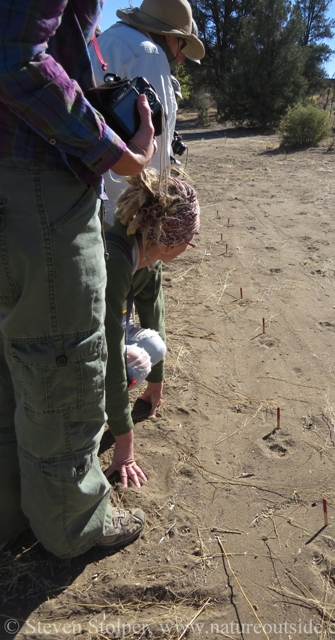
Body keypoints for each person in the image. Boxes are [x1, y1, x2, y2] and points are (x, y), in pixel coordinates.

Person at [0, 0, 158, 558]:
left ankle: (13, 514)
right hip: (41, 186)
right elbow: (15, 56)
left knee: (11, 359)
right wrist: (115, 151)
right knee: (61, 357)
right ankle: (71, 524)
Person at [103, 168, 200, 487]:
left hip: (115, 326)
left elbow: (152, 309)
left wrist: (155, 384)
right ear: (171, 245)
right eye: (189, 240)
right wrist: (125, 444)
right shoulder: (114, 259)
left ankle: (107, 400)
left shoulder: (148, 249)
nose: (190, 245)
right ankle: (97, 407)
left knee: (153, 350)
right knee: (129, 363)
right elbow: (110, 347)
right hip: (84, 340)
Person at [89, 0, 205, 226]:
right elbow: (156, 147)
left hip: (92, 198)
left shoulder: (104, 41)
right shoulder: (149, 54)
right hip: (128, 208)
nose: (181, 58)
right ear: (169, 36)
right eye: (182, 46)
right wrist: (158, 209)